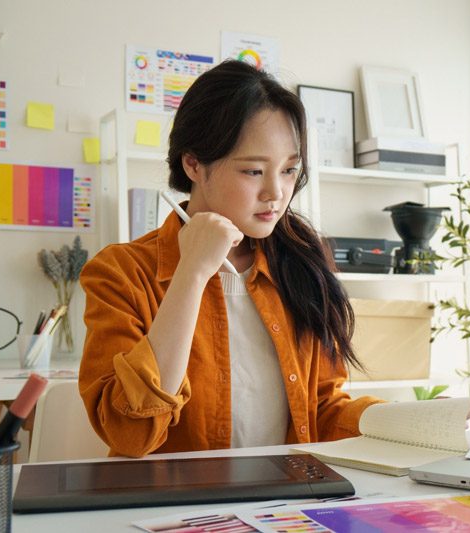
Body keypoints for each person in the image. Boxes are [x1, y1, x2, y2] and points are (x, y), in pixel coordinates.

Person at [79, 60, 382, 458]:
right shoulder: (120, 272)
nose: (276, 192)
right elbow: (130, 435)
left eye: (290, 170)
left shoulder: (301, 264)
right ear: (193, 164)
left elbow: (323, 409)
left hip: (279, 504)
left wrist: (403, 422)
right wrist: (192, 271)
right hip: (172, 511)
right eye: (254, 171)